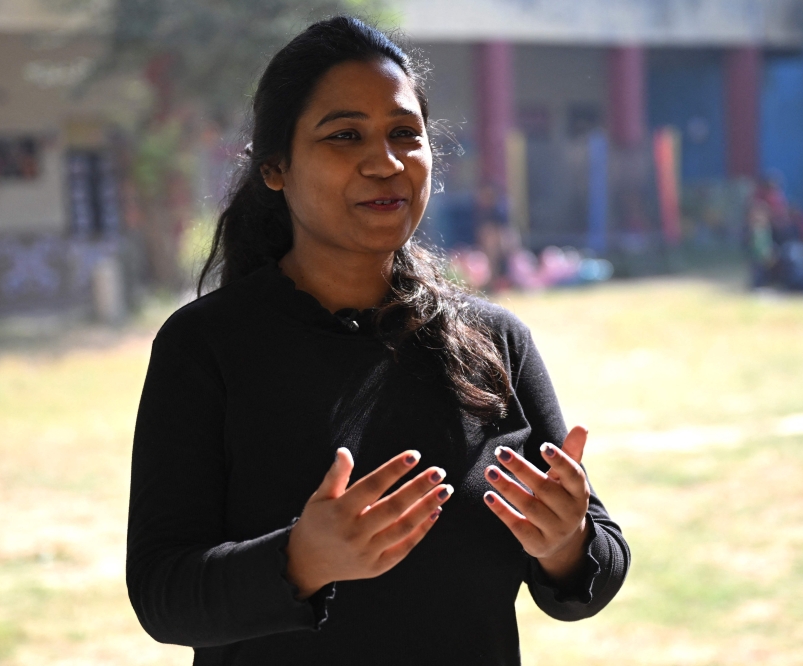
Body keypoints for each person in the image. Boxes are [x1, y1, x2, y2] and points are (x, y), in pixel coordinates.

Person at [126, 17, 629, 666]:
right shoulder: (205, 348)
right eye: (345, 135)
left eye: (404, 135)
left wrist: (567, 541)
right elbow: (163, 594)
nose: (384, 161)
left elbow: (597, 570)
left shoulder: (495, 343)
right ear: (275, 167)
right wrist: (300, 559)